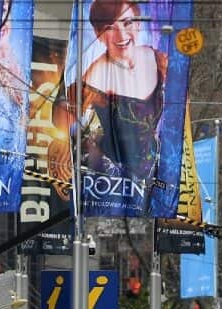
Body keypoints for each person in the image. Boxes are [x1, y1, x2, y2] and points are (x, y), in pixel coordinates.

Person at [49, 0, 168, 202]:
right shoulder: (92, 78)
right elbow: (60, 111)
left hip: (153, 179)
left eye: (128, 22)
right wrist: (67, 145)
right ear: (98, 34)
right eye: (110, 28)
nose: (121, 35)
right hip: (113, 186)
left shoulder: (159, 60)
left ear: (138, 23)